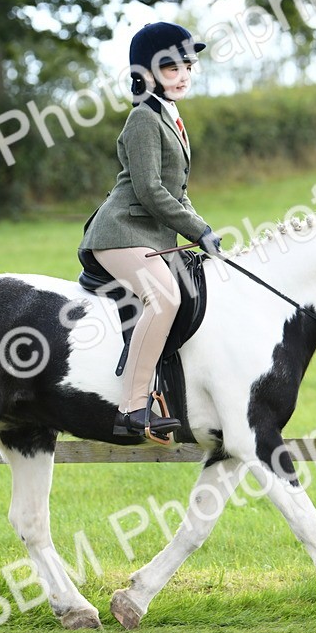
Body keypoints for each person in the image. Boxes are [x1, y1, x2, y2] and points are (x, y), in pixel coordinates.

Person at [79, 22, 223, 439]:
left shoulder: (171, 117)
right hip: (120, 231)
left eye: (188, 67)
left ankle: (170, 395)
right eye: (172, 68)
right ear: (145, 72)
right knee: (163, 297)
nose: (183, 76)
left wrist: (202, 229)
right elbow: (149, 190)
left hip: (151, 237)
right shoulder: (143, 119)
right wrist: (197, 230)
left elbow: (179, 191)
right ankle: (131, 408)